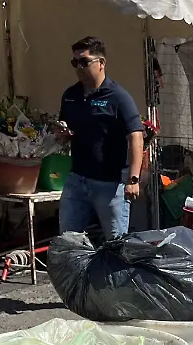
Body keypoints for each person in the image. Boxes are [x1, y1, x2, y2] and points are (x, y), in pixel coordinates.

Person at [58, 36, 145, 240]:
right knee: (67, 241)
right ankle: (74, 272)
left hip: (110, 185)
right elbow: (64, 130)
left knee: (115, 243)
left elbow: (136, 136)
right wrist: (61, 134)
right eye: (75, 62)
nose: (79, 67)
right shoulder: (70, 95)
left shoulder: (118, 97)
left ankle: (117, 273)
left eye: (84, 61)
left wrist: (133, 179)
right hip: (77, 180)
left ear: (101, 63)